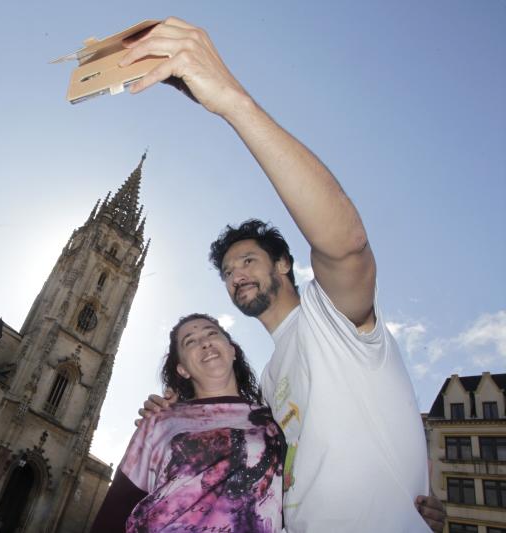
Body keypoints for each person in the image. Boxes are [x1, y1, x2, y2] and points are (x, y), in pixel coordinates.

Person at [127, 18, 445, 532]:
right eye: (228, 272)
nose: (236, 276)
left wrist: (232, 102)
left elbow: (347, 244)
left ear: (282, 265)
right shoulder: (270, 384)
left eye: (247, 261)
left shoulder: (333, 316)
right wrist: (175, 407)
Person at [93, 314, 283, 532]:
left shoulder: (273, 420)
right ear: (182, 369)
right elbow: (118, 505)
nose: (204, 342)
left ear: (232, 351)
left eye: (212, 333)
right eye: (190, 341)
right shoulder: (160, 419)